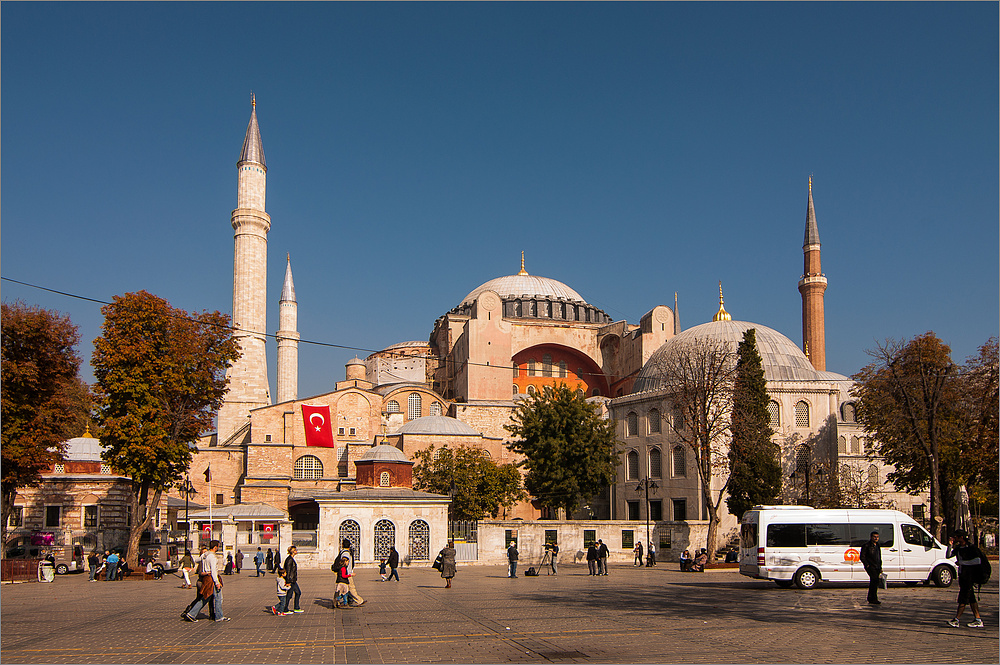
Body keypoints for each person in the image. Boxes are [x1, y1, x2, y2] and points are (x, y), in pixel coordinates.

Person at [184, 539, 229, 622]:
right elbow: (214, 571)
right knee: (218, 598)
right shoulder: (213, 557)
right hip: (211, 579)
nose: (218, 548)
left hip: (206, 578)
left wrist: (204, 561)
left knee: (206, 597)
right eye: (218, 546)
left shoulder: (205, 555)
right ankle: (219, 616)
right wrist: (217, 582)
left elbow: (196, 560)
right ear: (215, 547)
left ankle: (191, 614)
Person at [947, 529, 985, 628]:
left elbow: (977, 560)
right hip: (962, 575)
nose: (955, 539)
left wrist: (962, 562)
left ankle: (957, 619)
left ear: (961, 537)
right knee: (971, 598)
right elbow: (948, 556)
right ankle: (978, 619)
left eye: (956, 537)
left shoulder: (971, 548)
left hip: (969, 576)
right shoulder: (959, 548)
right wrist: (950, 545)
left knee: (963, 598)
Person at [338, 539, 366, 606]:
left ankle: (340, 600)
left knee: (343, 588)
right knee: (351, 588)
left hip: (345, 573)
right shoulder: (346, 553)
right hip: (347, 574)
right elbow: (344, 562)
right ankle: (359, 600)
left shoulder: (344, 552)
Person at [859, 531, 882, 605]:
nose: (876, 538)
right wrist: (867, 564)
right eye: (874, 537)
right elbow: (862, 556)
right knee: (874, 580)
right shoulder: (866, 546)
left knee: (875, 582)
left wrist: (880, 566)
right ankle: (873, 598)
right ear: (871, 537)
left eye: (877, 537)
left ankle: (872, 597)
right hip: (871, 566)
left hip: (877, 566)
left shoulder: (878, 545)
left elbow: (879, 557)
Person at [282, 545, 303, 613]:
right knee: (290, 595)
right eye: (295, 550)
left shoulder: (291, 559)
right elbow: (288, 571)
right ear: (293, 552)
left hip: (293, 580)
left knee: (298, 593)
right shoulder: (289, 560)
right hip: (291, 580)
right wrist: (288, 581)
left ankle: (296, 607)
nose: (297, 551)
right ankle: (284, 608)